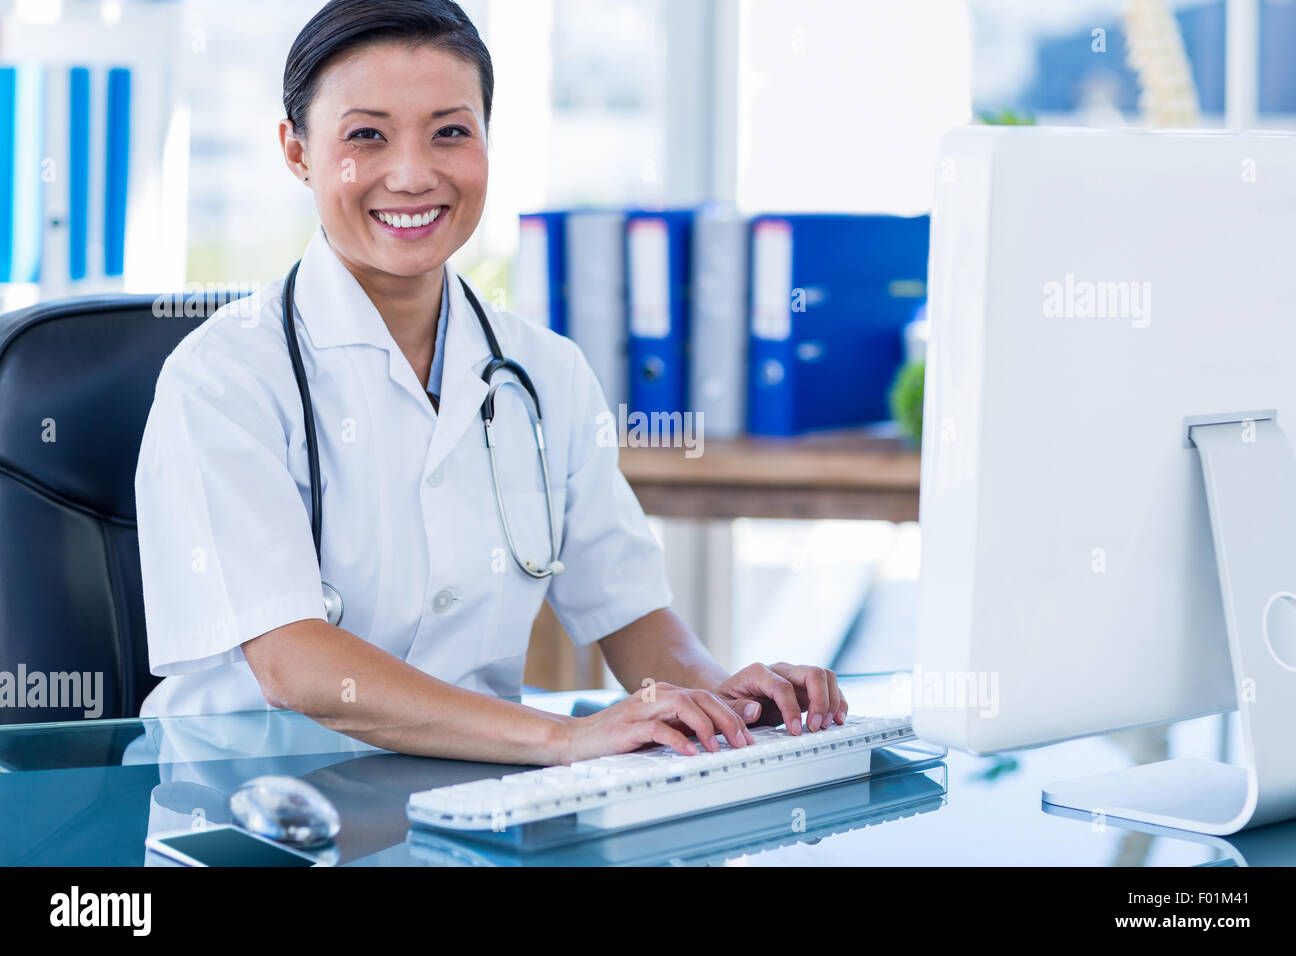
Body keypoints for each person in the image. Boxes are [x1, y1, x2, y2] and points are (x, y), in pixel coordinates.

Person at [134, 0, 848, 765]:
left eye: (450, 131)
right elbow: (294, 666)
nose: (413, 175)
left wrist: (725, 700)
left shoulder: (545, 373)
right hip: (249, 806)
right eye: (366, 135)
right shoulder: (222, 378)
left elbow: (632, 611)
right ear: (297, 151)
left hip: (466, 798)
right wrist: (564, 738)